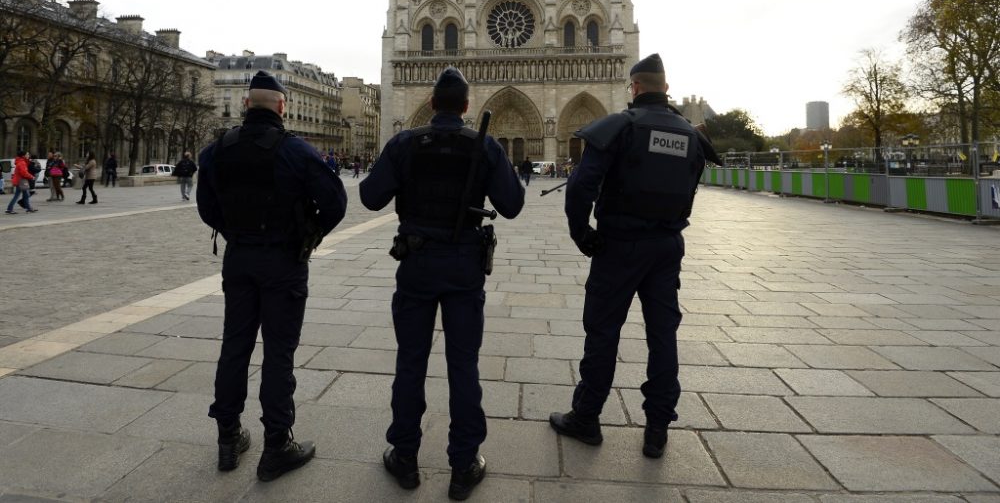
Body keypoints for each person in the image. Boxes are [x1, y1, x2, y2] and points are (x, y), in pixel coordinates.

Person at [360, 67, 524, 501]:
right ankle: (463, 463)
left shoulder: (406, 143)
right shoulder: (482, 145)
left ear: (431, 104)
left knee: (410, 362)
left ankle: (406, 457)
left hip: (416, 263)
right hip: (464, 266)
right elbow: (512, 205)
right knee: (463, 364)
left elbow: (370, 197)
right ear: (468, 107)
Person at [549, 53, 714, 460]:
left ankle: (586, 418)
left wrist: (581, 232)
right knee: (663, 336)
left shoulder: (621, 126)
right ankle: (657, 428)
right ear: (666, 88)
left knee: (603, 332)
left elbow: (581, 186)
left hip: (620, 245)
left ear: (635, 88)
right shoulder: (691, 137)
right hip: (667, 247)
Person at [197, 70, 347, 482]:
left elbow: (206, 206)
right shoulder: (295, 151)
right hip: (283, 260)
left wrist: (236, 233)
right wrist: (308, 233)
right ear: (283, 107)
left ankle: (228, 437)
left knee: (234, 346)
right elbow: (336, 202)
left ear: (245, 105)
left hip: (239, 258)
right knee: (278, 353)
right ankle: (277, 444)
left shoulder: (217, 150)